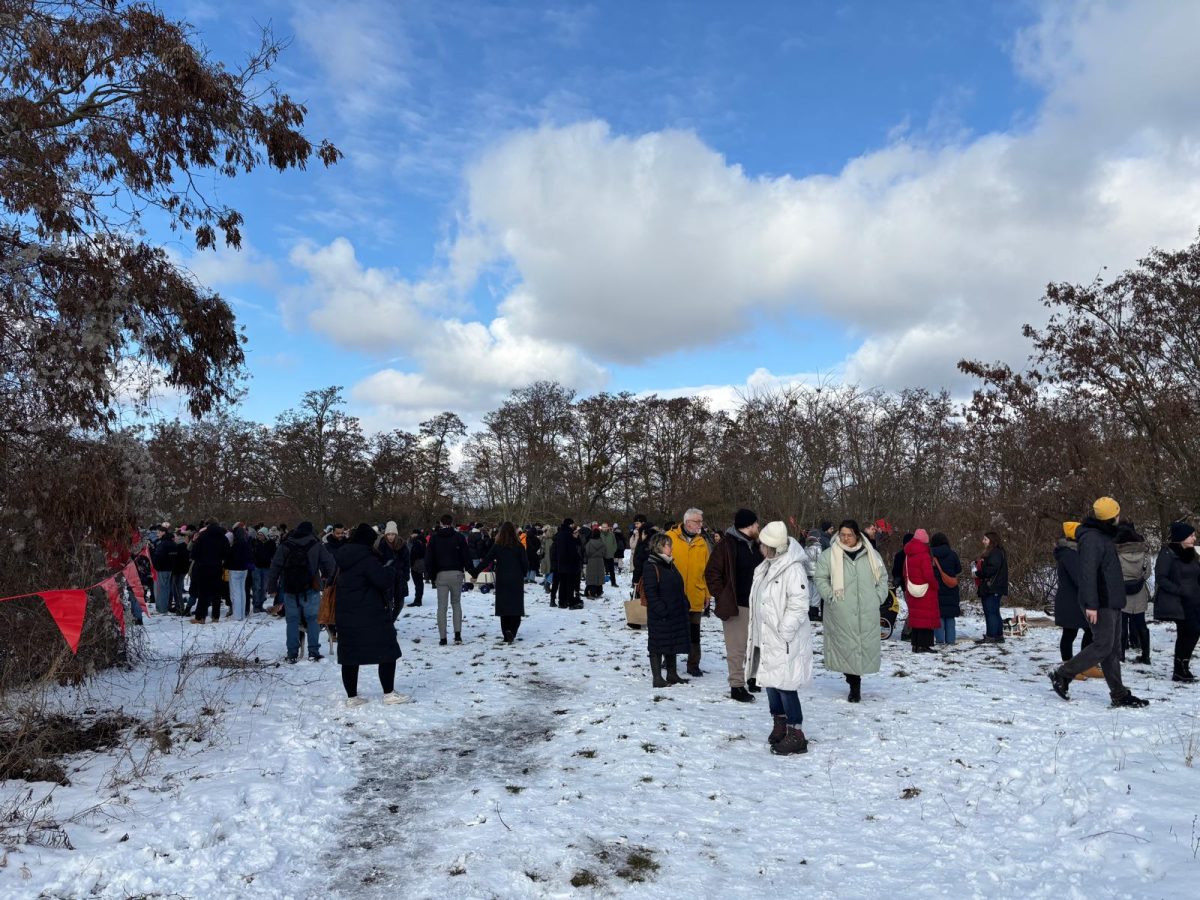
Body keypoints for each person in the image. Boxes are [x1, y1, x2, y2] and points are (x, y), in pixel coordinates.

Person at [1048, 497, 1148, 707]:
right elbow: (1087, 574)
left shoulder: (1102, 535)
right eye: (1118, 514)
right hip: (1101, 602)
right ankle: (1063, 674)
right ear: (1112, 517)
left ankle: (1119, 694)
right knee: (1103, 646)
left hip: (1111, 600)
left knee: (1111, 649)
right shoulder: (1093, 538)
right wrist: (1091, 605)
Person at [745, 521, 813, 756]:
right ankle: (780, 723)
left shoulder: (792, 569)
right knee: (770, 682)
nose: (760, 547)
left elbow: (799, 604)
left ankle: (796, 733)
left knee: (786, 685)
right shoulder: (766, 566)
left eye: (763, 544)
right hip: (766, 636)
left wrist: (785, 631)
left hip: (784, 638)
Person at [333, 524, 408, 707]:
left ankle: (352, 697)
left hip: (346, 613)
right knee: (388, 650)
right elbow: (382, 581)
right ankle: (389, 694)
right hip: (370, 613)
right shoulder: (367, 559)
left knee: (350, 655)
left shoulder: (342, 557)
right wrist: (389, 568)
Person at [814, 520, 887, 702]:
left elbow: (883, 577)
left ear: (857, 535)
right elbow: (820, 578)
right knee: (846, 647)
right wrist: (830, 596)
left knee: (860, 647)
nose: (845, 539)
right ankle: (854, 684)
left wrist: (878, 597)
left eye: (849, 535)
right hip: (841, 610)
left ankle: (855, 682)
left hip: (866, 609)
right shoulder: (829, 555)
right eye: (842, 535)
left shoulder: (872, 554)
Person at [704, 508, 764, 703]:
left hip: (758, 604)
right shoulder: (726, 545)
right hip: (736, 605)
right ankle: (737, 685)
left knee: (757, 644)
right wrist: (722, 596)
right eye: (756, 524)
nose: (758, 527)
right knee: (737, 648)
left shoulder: (758, 545)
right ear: (748, 525)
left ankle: (753, 677)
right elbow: (712, 573)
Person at [268, 521, 337, 662]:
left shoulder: (285, 545)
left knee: (292, 621)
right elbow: (330, 565)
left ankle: (292, 653)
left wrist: (272, 587)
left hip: (289, 589)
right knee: (313, 620)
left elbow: (275, 567)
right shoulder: (316, 545)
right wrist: (326, 579)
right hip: (311, 588)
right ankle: (313, 652)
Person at [666, 508, 712, 677]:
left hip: (695, 594)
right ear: (687, 522)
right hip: (673, 595)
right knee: (671, 630)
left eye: (701, 521)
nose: (701, 524)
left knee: (694, 632)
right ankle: (668, 658)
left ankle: (693, 664)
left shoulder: (702, 543)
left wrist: (707, 594)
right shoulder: (669, 538)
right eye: (697, 521)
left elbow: (707, 571)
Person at [642, 532, 691, 688]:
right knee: (657, 645)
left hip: (674, 612)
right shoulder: (651, 565)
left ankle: (672, 674)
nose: (671, 548)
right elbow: (651, 593)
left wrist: (684, 603)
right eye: (668, 545)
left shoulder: (669, 563)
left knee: (672, 643)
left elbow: (677, 585)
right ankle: (657, 678)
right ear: (660, 547)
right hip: (660, 615)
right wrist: (662, 610)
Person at [1153, 521, 1200, 683]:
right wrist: (1179, 590)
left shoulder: (1192, 554)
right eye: (1191, 535)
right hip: (1179, 601)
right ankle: (1179, 668)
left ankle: (1183, 666)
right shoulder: (1168, 554)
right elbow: (1161, 578)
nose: (1194, 538)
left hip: (1195, 600)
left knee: (1193, 633)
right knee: (1189, 631)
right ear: (1181, 537)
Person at [475, 522, 529, 643]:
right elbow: (525, 564)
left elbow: (486, 560)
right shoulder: (519, 546)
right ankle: (512, 631)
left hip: (502, 579)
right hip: (516, 579)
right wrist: (523, 574)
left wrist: (475, 571)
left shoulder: (497, 546)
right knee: (516, 608)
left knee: (504, 608)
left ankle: (506, 632)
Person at [426, 514, 472, 645]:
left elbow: (429, 559)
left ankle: (442, 638)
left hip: (441, 575)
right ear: (452, 523)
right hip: (456, 573)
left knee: (442, 607)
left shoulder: (434, 539)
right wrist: (472, 571)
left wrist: (431, 575)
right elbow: (466, 556)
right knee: (456, 604)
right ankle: (457, 635)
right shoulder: (459, 537)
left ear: (440, 523)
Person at [1054, 522, 1095, 669]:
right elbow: (1079, 578)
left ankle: (1083, 664)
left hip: (1075, 600)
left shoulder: (1073, 552)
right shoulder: (1069, 554)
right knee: (1072, 633)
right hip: (1071, 602)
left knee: (1088, 631)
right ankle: (1070, 666)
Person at [1116, 522, 1151, 665]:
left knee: (1122, 624)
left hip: (1121, 592)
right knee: (1141, 624)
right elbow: (1148, 573)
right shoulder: (1144, 552)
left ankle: (1121, 655)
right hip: (1139, 591)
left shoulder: (1116, 552)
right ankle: (1145, 655)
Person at [902, 530, 939, 653]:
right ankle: (924, 645)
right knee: (926, 619)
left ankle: (915, 644)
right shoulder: (924, 555)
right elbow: (928, 575)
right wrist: (935, 585)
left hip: (912, 590)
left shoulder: (908, 554)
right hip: (925, 591)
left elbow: (904, 572)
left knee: (916, 618)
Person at [189, 521, 229, 624]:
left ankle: (200, 617)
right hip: (217, 567)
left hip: (203, 567)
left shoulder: (202, 537)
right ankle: (215, 616)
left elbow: (194, 554)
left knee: (203, 593)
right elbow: (226, 553)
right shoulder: (223, 537)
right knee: (216, 593)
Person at [929, 533, 963, 645]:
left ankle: (939, 640)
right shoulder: (952, 554)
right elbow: (958, 569)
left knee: (939, 615)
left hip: (936, 588)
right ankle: (951, 640)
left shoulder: (931, 555)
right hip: (951, 588)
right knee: (950, 616)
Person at [977, 532, 1009, 643]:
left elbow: (991, 569)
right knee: (994, 611)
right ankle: (998, 635)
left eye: (985, 539)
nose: (983, 541)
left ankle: (991, 636)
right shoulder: (998, 552)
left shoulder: (995, 553)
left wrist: (979, 572)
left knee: (990, 612)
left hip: (992, 587)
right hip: (996, 586)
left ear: (991, 540)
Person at [376, 521, 411, 622]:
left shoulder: (402, 545)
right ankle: (388, 625)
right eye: (388, 534)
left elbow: (407, 562)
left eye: (393, 534)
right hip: (387, 579)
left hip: (400, 578)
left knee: (399, 604)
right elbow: (377, 562)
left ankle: (391, 622)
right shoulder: (381, 545)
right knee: (388, 604)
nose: (390, 537)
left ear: (396, 534)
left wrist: (406, 575)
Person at [552, 518, 583, 610]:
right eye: (572, 524)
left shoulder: (560, 534)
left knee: (563, 583)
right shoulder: (569, 534)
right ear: (570, 524)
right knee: (570, 584)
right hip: (570, 563)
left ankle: (562, 602)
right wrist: (576, 539)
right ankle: (570, 601)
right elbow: (572, 549)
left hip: (561, 563)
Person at [150, 525, 178, 615]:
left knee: (161, 589)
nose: (157, 534)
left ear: (163, 533)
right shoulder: (173, 543)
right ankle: (165, 607)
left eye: (159, 532)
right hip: (170, 568)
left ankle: (162, 609)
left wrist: (154, 564)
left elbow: (158, 556)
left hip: (162, 569)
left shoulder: (162, 544)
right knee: (166, 588)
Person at [227, 525, 253, 621]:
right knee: (242, 592)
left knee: (236, 592)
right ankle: (242, 614)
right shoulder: (246, 544)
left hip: (235, 570)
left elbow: (230, 558)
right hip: (244, 570)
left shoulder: (235, 545)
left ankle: (237, 615)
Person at [251, 528, 277, 613]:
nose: (259, 536)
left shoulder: (271, 543)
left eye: (261, 535)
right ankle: (256, 604)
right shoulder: (255, 543)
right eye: (258, 534)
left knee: (263, 587)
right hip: (256, 567)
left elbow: (274, 555)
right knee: (257, 587)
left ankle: (260, 604)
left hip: (266, 568)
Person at [584, 529, 607, 598]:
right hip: (600, 561)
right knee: (599, 577)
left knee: (592, 577)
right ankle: (599, 591)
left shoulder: (589, 543)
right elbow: (604, 553)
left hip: (591, 561)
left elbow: (587, 552)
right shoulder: (602, 543)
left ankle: (592, 592)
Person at [407, 529, 426, 607]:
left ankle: (417, 600)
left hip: (416, 565)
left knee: (418, 583)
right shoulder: (422, 541)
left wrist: (411, 563)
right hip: (421, 564)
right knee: (419, 583)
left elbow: (414, 553)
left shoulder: (417, 541)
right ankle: (418, 599)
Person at [601, 523, 618, 588]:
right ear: (601, 528)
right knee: (601, 570)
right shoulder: (600, 535)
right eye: (603, 527)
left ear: (608, 527)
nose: (604, 528)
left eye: (605, 527)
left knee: (612, 570)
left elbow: (615, 544)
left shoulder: (612, 534)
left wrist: (612, 551)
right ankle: (600, 583)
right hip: (602, 555)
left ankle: (613, 583)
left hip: (610, 555)